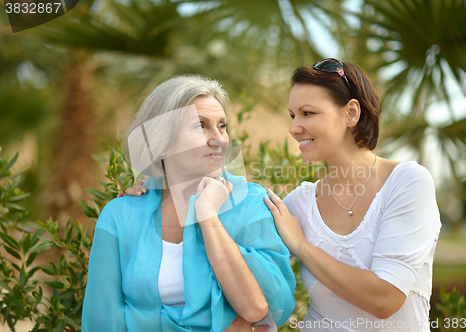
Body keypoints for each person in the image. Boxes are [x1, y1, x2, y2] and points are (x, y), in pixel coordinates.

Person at [127, 59, 441, 332]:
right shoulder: (296, 205)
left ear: (351, 113)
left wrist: (301, 246)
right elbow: (244, 269)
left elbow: (385, 299)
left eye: (307, 113)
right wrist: (156, 189)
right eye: (292, 115)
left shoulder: (407, 183)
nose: (294, 128)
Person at [81, 75, 296, 332]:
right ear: (161, 143)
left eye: (222, 126)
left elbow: (258, 308)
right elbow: (101, 321)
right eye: (201, 126)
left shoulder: (252, 203)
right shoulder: (120, 214)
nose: (218, 139)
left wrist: (207, 215)